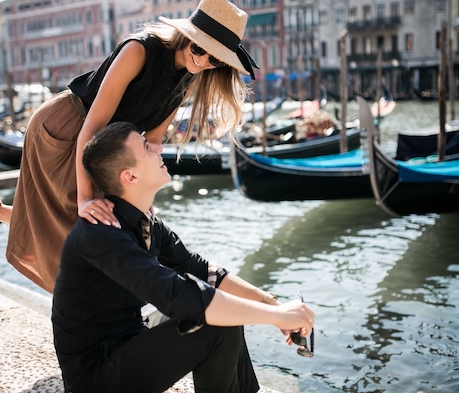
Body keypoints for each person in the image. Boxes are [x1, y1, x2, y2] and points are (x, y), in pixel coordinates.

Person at [0, 0, 259, 293]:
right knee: (82, 220)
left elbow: (154, 141)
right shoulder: (139, 50)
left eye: (216, 59)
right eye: (200, 48)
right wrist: (84, 198)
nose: (204, 62)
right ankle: (84, 319)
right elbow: (91, 126)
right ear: (185, 35)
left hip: (108, 145)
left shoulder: (190, 76)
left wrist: (144, 200)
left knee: (108, 224)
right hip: (66, 127)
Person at [52, 121, 316, 393]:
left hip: (129, 338)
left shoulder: (147, 224)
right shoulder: (101, 233)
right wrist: (276, 316)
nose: (158, 146)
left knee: (225, 310)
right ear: (130, 177)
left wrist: (272, 303)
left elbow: (202, 270)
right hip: (96, 377)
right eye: (146, 147)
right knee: (214, 321)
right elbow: (178, 295)